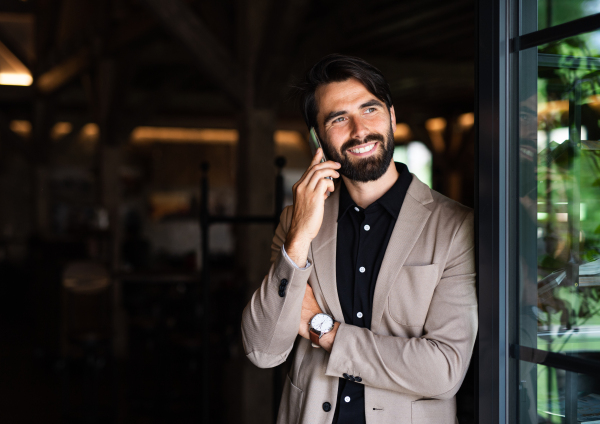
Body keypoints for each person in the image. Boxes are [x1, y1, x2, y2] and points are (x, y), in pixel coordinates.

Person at [241, 54, 477, 424]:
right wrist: (299, 237)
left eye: (370, 109)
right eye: (338, 118)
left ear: (392, 116)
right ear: (317, 138)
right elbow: (263, 350)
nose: (359, 130)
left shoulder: (455, 226)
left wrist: (324, 330)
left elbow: (443, 371)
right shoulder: (295, 224)